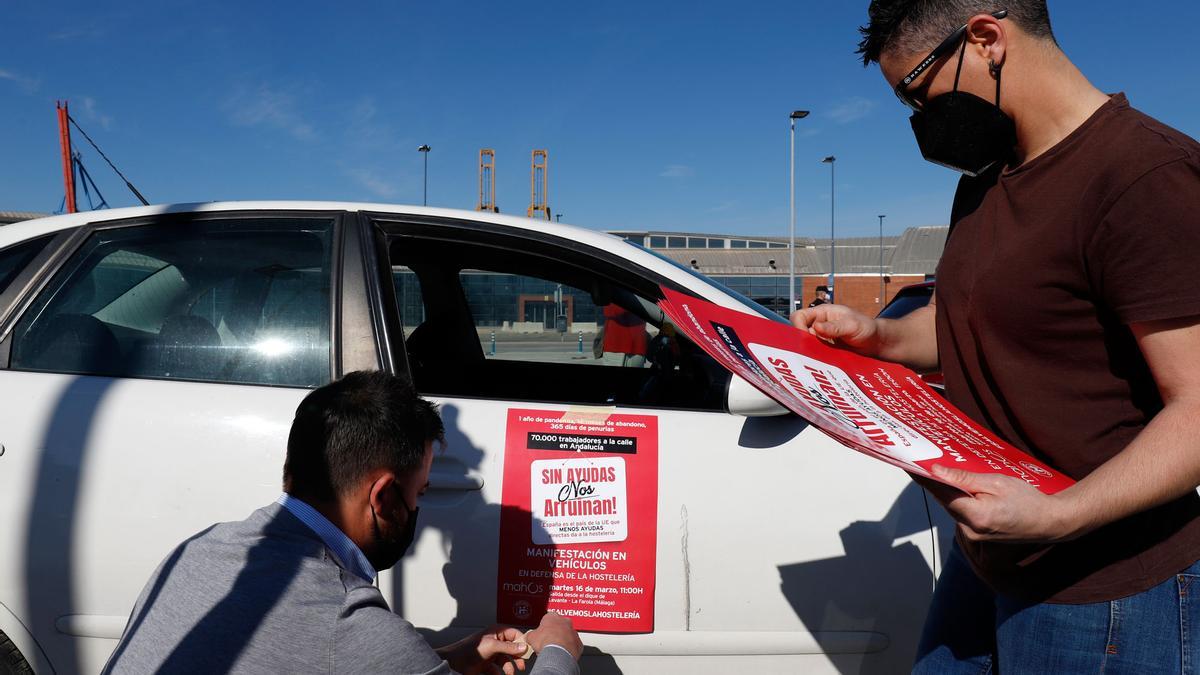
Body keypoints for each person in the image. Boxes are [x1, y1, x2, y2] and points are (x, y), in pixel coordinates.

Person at [793, 2, 1200, 671]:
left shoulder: (1143, 176)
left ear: (985, 39)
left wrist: (1059, 515)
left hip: (1106, 589)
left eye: (919, 94)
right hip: (994, 559)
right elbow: (978, 322)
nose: (921, 122)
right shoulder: (986, 181)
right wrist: (879, 337)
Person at [104, 370, 582, 674]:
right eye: (419, 494)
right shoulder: (349, 621)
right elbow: (343, 647)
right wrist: (559, 652)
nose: (418, 510)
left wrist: (446, 659)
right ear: (384, 497)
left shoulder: (197, 550)